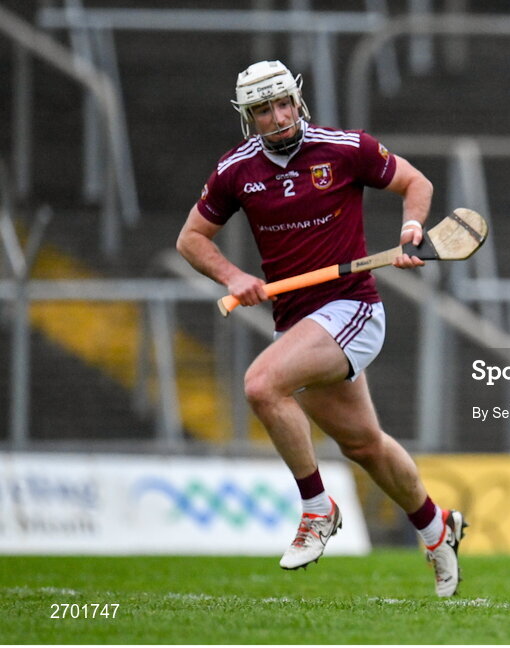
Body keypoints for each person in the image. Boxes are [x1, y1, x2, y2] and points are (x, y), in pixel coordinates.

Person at [176, 60, 466, 597]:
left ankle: (317, 508)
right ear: (249, 117)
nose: (277, 116)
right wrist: (235, 275)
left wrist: (410, 229)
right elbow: (191, 239)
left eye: (283, 103)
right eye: (263, 109)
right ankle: (436, 526)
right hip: (298, 323)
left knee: (263, 385)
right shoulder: (235, 170)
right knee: (365, 446)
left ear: (298, 100)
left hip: (351, 308)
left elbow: (414, 182)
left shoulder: (345, 148)